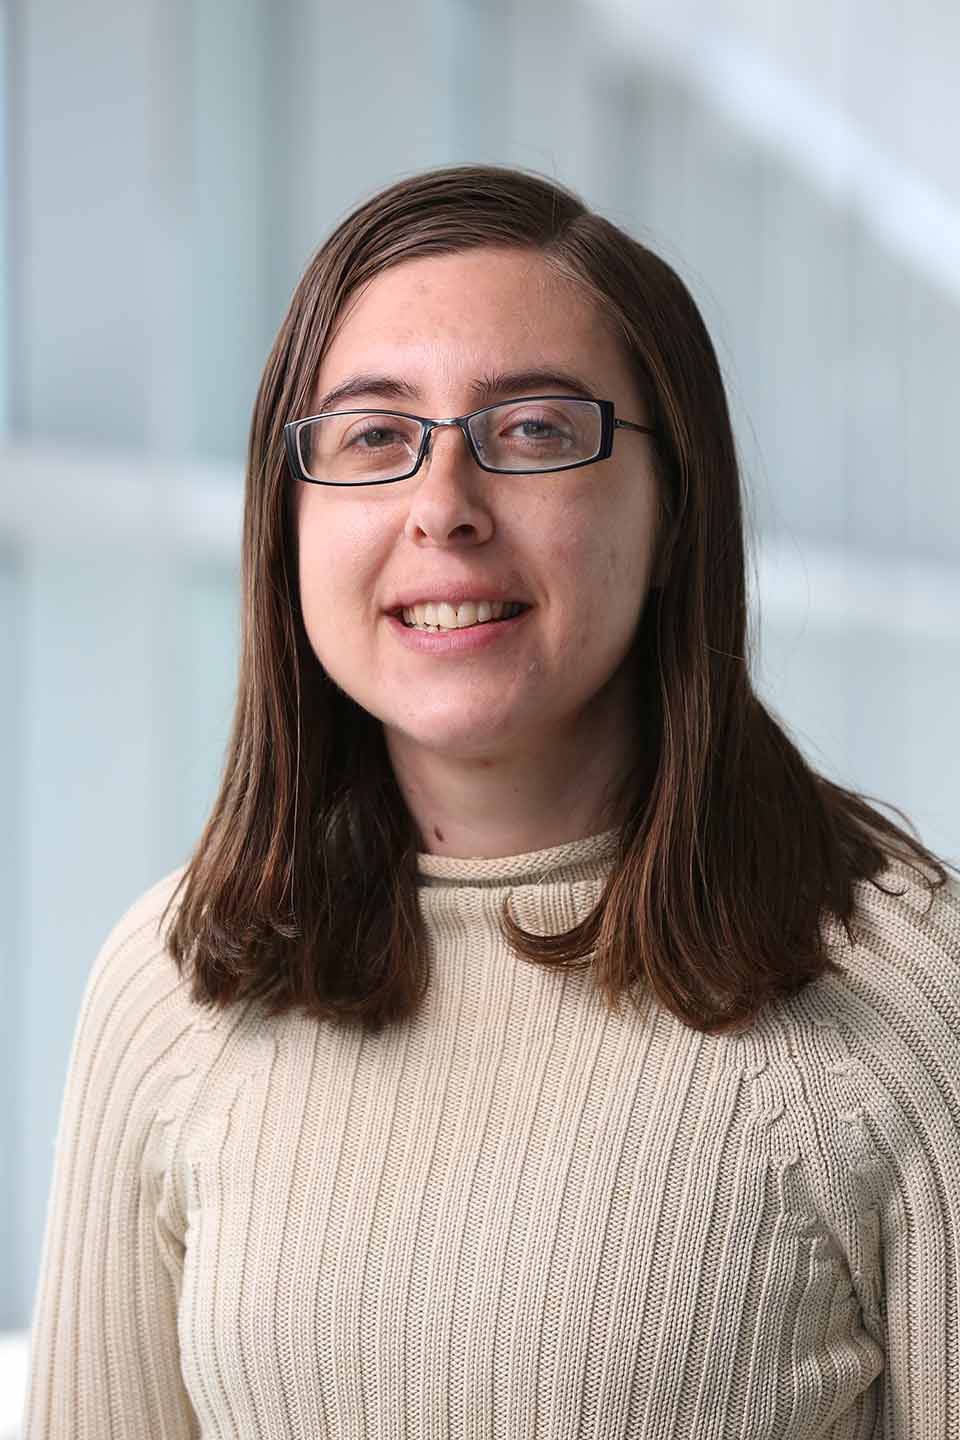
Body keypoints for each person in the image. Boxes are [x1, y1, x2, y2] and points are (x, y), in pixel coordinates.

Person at [22, 164, 960, 1439]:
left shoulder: (900, 993)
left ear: (675, 500)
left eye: (532, 431)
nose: (442, 511)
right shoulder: (176, 986)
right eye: (372, 436)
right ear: (287, 515)